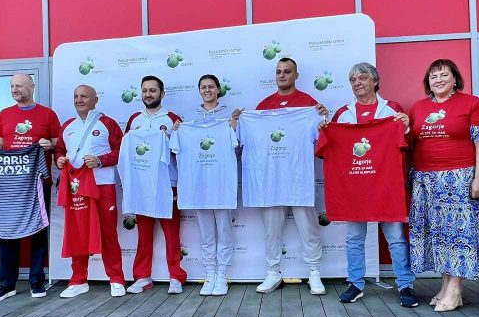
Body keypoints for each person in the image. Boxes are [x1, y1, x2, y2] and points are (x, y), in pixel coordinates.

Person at [233, 57, 329, 295]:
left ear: (296, 75)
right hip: (270, 182)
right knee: (271, 231)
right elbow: (245, 142)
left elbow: (323, 141)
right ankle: (272, 272)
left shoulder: (309, 105)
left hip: (299, 179)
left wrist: (323, 119)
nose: (282, 75)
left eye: (287, 71)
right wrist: (238, 123)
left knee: (308, 227)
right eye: (279, 71)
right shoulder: (262, 106)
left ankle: (314, 272)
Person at [325, 62, 418, 308]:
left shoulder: (392, 110)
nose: (357, 83)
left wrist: (406, 125)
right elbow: (329, 148)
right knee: (354, 238)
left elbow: (407, 142)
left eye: (362, 78)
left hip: (386, 185)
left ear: (375, 81)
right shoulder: (342, 114)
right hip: (355, 188)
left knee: (396, 238)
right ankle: (355, 284)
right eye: (353, 79)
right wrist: (324, 129)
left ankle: (405, 284)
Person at [408, 59, 479, 310]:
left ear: (455, 78)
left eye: (444, 75)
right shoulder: (418, 107)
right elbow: (411, 142)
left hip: (458, 179)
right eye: (433, 76)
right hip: (425, 180)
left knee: (458, 234)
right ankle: (446, 285)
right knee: (439, 235)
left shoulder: (471, 103)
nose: (438, 80)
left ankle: (455, 289)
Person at [0, 73, 61, 298]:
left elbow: (57, 144)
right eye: (12, 86)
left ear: (32, 87)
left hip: (38, 183)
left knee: (38, 233)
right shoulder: (4, 114)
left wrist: (49, 146)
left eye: (20, 86)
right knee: (7, 233)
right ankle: (7, 284)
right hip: (9, 185)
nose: (15, 89)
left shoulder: (48, 114)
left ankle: (36, 281)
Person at [55, 84, 127, 298]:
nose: (79, 100)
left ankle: (116, 279)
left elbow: (121, 151)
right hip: (76, 187)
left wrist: (101, 160)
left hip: (102, 186)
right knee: (78, 232)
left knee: (107, 232)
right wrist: (59, 160)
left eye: (84, 96)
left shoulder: (108, 123)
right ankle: (78, 280)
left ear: (96, 100)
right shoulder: (68, 126)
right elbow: (60, 151)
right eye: (76, 96)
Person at [171, 74, 236, 296]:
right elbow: (176, 149)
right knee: (206, 233)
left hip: (222, 184)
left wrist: (233, 127)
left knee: (224, 231)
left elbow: (238, 148)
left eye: (211, 86)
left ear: (218, 89)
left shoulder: (229, 116)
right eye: (203, 87)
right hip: (198, 186)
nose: (207, 90)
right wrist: (178, 131)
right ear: (199, 90)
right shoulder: (189, 119)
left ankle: (222, 274)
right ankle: (210, 273)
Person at [123, 76, 187, 294]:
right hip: (142, 186)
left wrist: (175, 135)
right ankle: (142, 277)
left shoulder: (172, 119)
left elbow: (182, 151)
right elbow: (127, 152)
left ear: (162, 93)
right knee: (144, 234)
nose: (148, 94)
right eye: (145, 90)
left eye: (152, 90)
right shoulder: (134, 120)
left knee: (172, 233)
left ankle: (176, 276)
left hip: (168, 183)